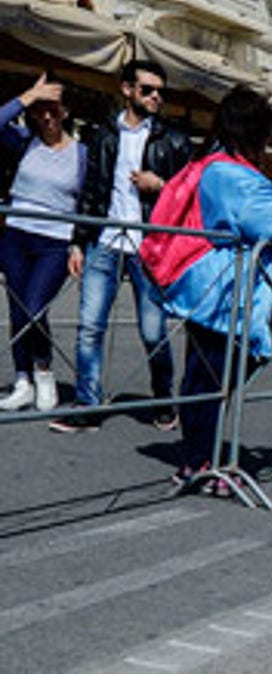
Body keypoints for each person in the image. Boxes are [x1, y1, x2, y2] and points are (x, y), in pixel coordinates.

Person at [153, 86, 272, 487]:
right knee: (217, 377)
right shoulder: (239, 176)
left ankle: (195, 460)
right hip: (228, 289)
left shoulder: (208, 165)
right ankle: (204, 464)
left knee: (201, 376)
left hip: (201, 282)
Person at [53, 59, 190, 431]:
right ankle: (87, 405)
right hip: (104, 241)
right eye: (148, 90)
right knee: (89, 327)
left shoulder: (174, 140)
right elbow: (91, 191)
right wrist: (78, 242)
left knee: (152, 331)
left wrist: (159, 185)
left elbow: (190, 195)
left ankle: (163, 399)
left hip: (150, 246)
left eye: (160, 91)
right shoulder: (103, 134)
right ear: (127, 90)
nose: (156, 96)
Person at [0, 74, 83, 413]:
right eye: (40, 111)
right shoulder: (23, 141)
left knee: (35, 309)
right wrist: (28, 95)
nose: (46, 117)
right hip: (15, 234)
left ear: (65, 112)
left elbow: (91, 201)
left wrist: (79, 244)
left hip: (54, 241)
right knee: (18, 312)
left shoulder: (83, 153)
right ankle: (23, 381)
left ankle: (44, 372)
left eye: (53, 110)